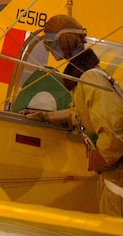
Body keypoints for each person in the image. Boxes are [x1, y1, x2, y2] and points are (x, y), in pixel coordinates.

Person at [22, 15, 123, 216]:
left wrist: (101, 158)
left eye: (51, 43)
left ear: (65, 40)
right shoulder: (88, 76)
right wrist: (46, 117)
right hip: (113, 179)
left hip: (118, 183)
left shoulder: (90, 77)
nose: (49, 50)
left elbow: (115, 129)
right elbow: (81, 114)